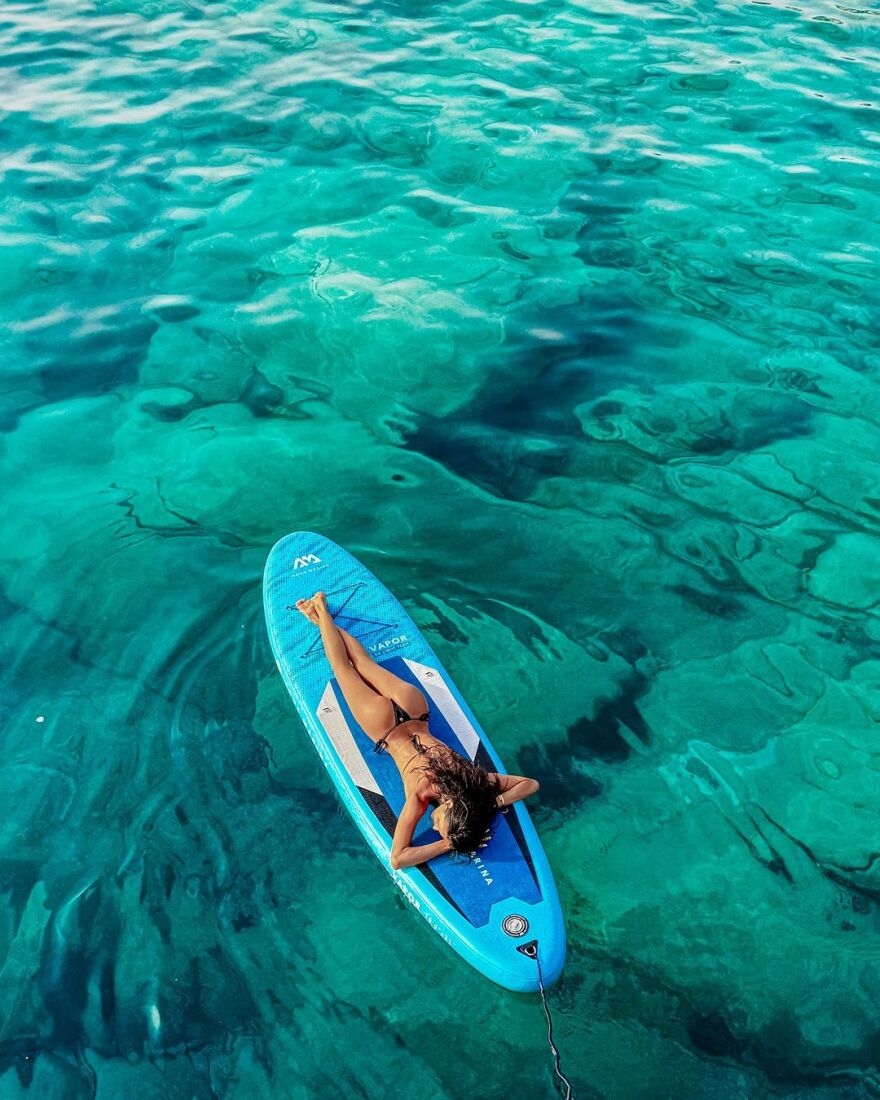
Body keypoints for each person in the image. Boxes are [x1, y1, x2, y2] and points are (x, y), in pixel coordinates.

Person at [296, 592, 540, 870]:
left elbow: (529, 785)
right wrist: (450, 844)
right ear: (448, 808)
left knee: (365, 665)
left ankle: (322, 616)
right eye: (442, 828)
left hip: (414, 708)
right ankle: (320, 615)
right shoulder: (421, 795)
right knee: (343, 668)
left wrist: (494, 802)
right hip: (383, 727)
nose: (436, 830)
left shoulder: (477, 780)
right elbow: (398, 859)